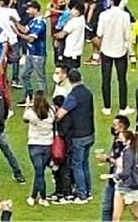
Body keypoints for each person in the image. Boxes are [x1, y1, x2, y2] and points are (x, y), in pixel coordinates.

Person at [56, 67, 96, 203]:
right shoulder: (88, 92)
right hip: (90, 132)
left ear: (69, 79)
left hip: (78, 135)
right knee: (84, 163)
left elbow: (60, 114)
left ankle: (81, 194)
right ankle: (87, 190)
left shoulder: (73, 96)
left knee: (77, 164)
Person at [23, 90, 54, 207]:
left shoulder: (31, 113)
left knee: (39, 172)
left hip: (35, 144)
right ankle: (34, 196)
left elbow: (24, 118)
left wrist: (27, 105)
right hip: (48, 145)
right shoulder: (51, 112)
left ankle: (42, 197)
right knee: (40, 172)